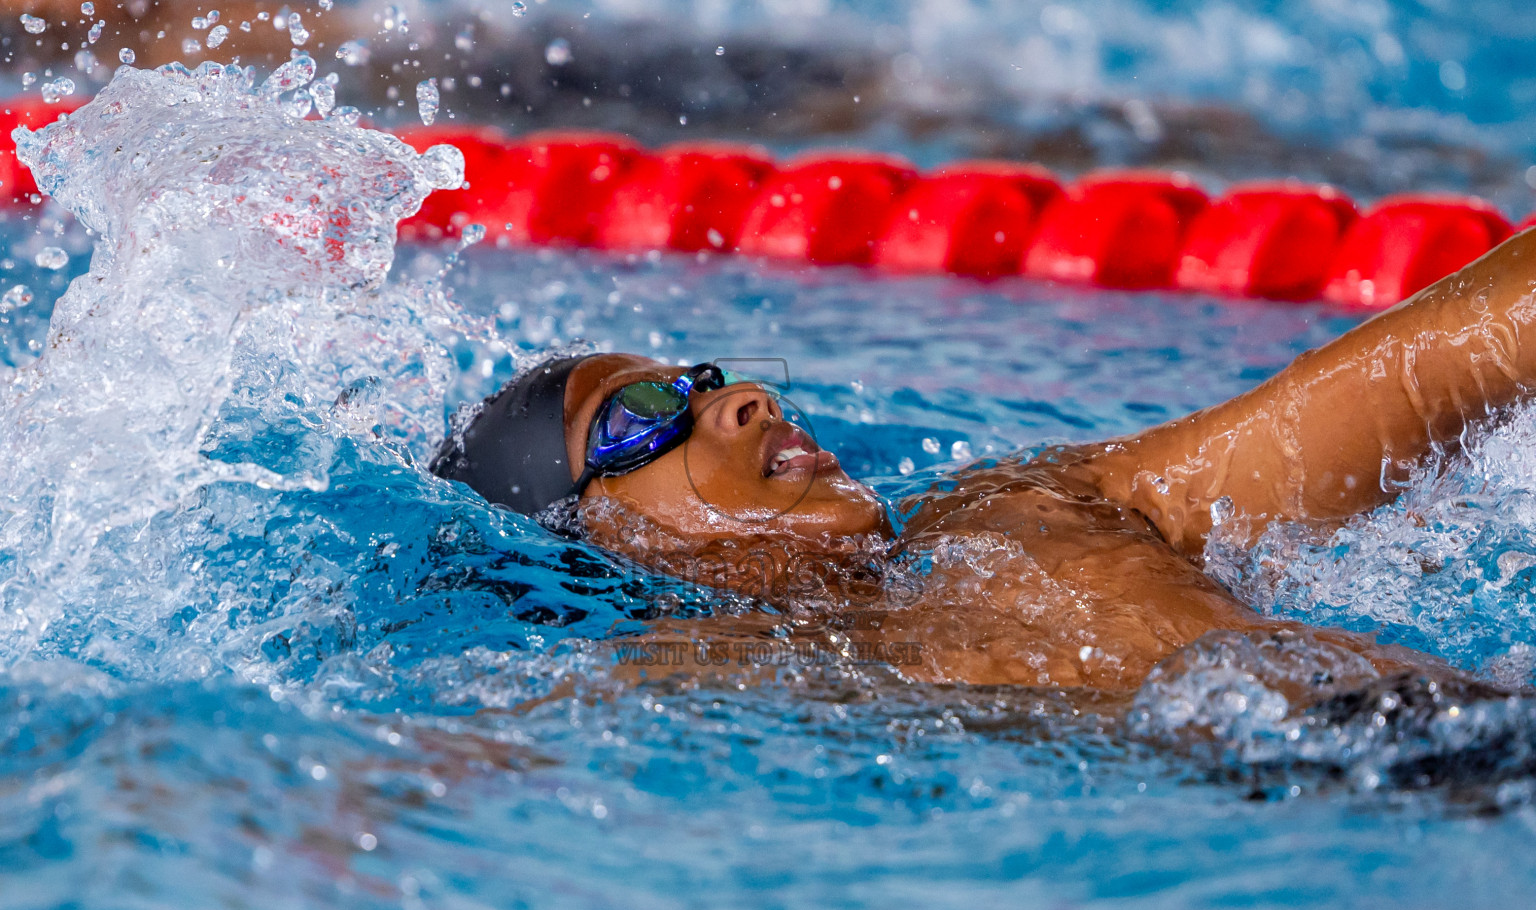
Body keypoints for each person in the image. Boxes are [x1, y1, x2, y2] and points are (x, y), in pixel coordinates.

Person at [431, 229, 1536, 704]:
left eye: (707, 376)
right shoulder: (702, 672)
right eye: (639, 414)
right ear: (597, 530)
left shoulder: (1029, 505)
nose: (741, 397)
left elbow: (1421, 378)